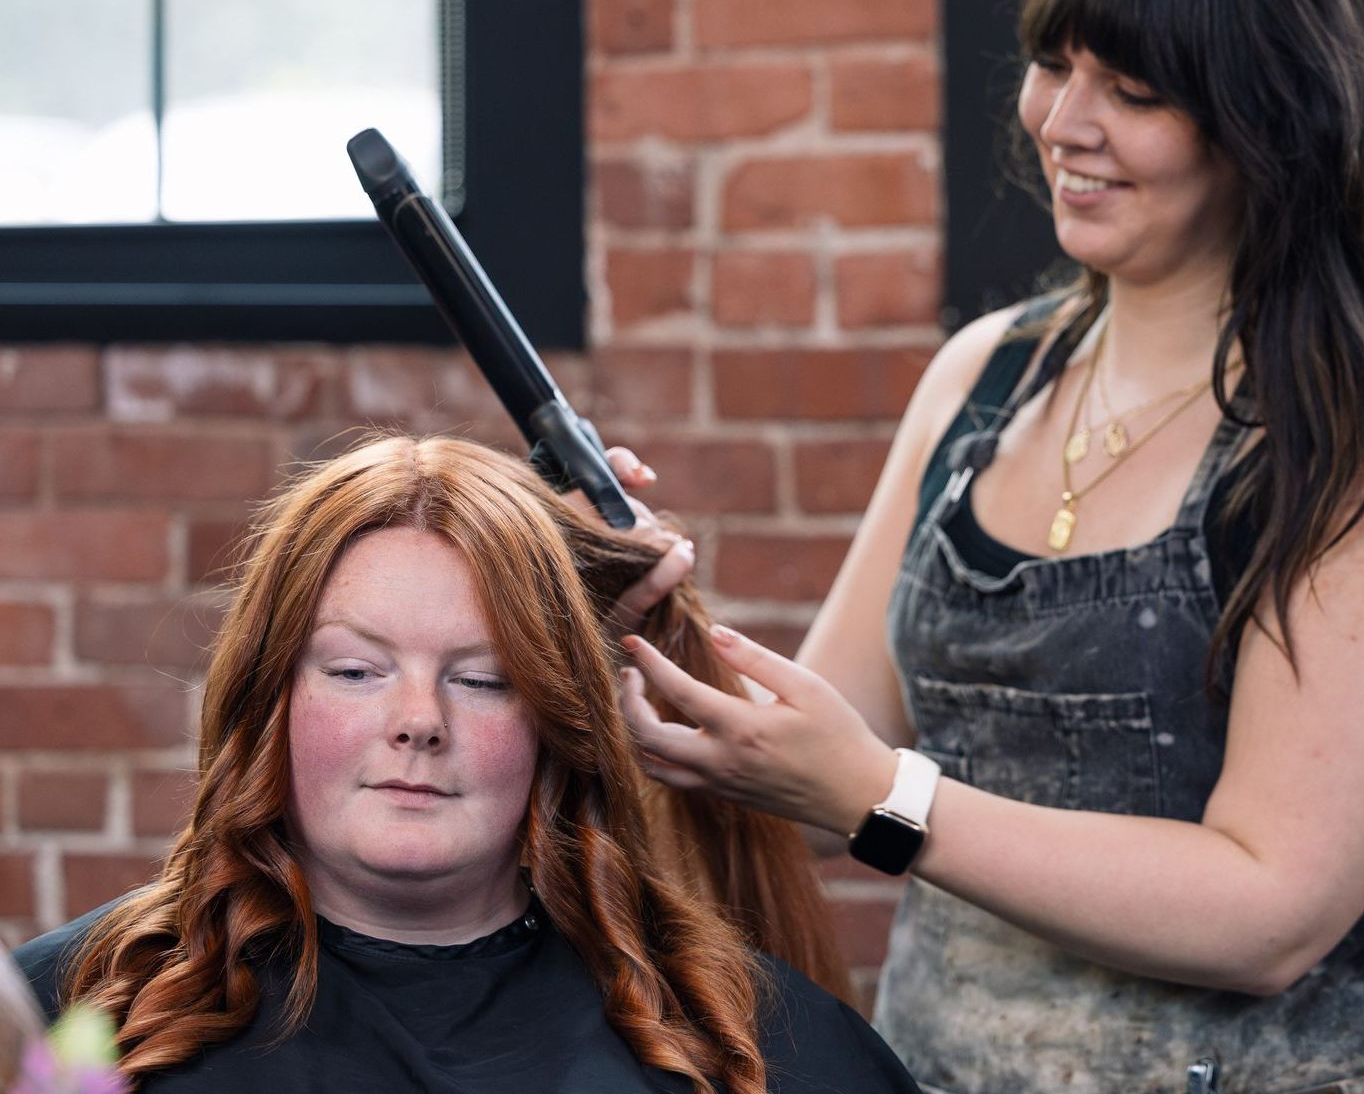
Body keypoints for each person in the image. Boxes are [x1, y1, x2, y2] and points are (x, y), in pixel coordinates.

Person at [615, 0, 1364, 1093]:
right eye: (1053, 64)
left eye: (1130, 89)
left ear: (1268, 125)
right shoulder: (986, 375)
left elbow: (1267, 910)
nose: (1063, 123)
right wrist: (632, 621)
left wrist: (888, 797)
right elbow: (806, 782)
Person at [12, 436, 918, 1094]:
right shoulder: (71, 1012)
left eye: (484, 680)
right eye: (357, 671)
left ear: (557, 725)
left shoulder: (756, 1046)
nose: (419, 721)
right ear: (270, 697)